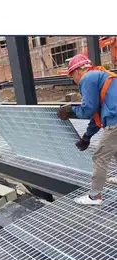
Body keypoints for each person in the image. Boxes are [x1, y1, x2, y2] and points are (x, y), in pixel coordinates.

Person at [57, 54, 117, 205]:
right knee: (114, 148)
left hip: (115, 122)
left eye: (72, 77)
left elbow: (88, 110)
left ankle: (94, 197)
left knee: (100, 157)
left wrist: (71, 110)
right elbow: (97, 116)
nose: (75, 81)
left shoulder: (87, 79)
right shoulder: (100, 76)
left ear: (77, 71)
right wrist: (87, 137)